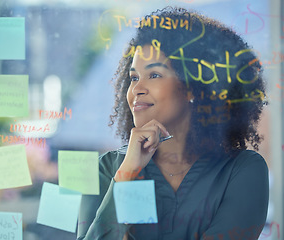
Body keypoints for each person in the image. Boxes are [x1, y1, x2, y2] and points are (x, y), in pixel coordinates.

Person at [77, 7, 269, 240]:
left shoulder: (241, 171)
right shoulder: (109, 169)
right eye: (134, 78)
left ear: (193, 87)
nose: (137, 89)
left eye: (154, 75)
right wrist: (128, 172)